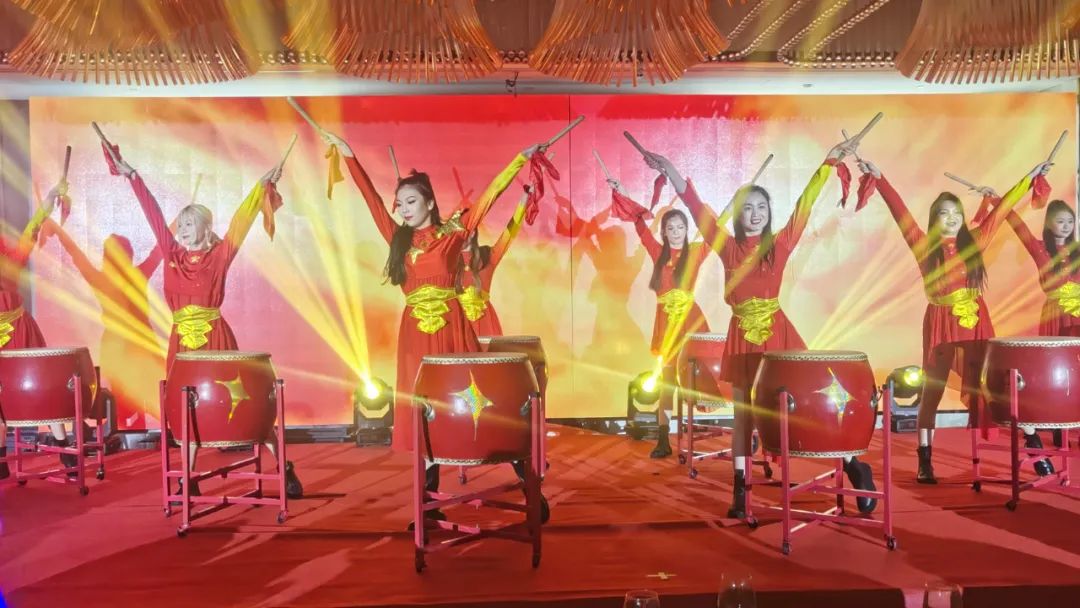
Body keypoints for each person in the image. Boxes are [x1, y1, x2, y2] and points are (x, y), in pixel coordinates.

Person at [320, 128, 549, 524]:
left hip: (453, 329)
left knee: (478, 406)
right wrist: (348, 155)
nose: (403, 209)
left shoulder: (453, 234)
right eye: (399, 204)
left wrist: (519, 158)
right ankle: (427, 506)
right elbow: (371, 200)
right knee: (425, 410)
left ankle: (529, 487)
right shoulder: (398, 239)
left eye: (410, 201)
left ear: (428, 201)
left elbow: (489, 198)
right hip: (415, 337)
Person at [641, 138, 879, 517]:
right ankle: (741, 490)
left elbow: (804, 205)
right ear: (739, 214)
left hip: (778, 337)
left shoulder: (779, 245)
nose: (755, 214)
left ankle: (854, 466)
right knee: (744, 415)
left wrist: (829, 161)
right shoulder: (727, 247)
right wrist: (669, 169)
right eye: (748, 208)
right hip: (742, 339)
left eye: (762, 208)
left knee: (808, 408)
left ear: (769, 213)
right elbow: (698, 210)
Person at [103, 142, 303, 499]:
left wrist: (260, 186)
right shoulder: (171, 253)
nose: (182, 228)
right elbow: (152, 212)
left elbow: (241, 222)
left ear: (206, 228)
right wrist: (132, 175)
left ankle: (282, 465)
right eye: (180, 223)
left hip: (215, 339)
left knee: (242, 405)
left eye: (190, 223)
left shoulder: (219, 255)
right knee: (186, 406)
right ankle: (188, 475)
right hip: (182, 342)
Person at [859, 157, 1053, 483]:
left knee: (997, 384)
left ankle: (1034, 445)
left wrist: (1028, 177)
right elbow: (900, 212)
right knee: (931, 391)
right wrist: (880, 179)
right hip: (940, 323)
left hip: (976, 321)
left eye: (956, 214)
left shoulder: (975, 241)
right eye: (944, 214)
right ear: (934, 220)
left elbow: (1001, 211)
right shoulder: (923, 245)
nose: (951, 219)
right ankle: (925, 460)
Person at [610, 178, 711, 458]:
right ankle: (664, 439)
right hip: (666, 326)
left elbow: (714, 231)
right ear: (664, 232)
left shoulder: (697, 252)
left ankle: (692, 436)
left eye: (680, 228)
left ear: (687, 230)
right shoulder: (658, 253)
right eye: (670, 228)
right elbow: (640, 226)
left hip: (690, 323)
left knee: (692, 381)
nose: (676, 233)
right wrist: (621, 192)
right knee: (667, 383)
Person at [39, 217, 164, 431]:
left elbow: (76, 253)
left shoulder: (108, 278)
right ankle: (131, 432)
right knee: (131, 395)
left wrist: (58, 231)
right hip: (129, 345)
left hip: (128, 345)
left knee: (130, 395)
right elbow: (160, 248)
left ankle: (128, 432)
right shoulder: (132, 276)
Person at [0, 180, 75, 480]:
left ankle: (64, 446)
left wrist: (48, 201)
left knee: (42, 388)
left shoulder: (11, 260)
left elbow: (31, 231)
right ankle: (1, 460)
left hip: (18, 330)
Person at [456, 189, 529, 337]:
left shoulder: (487, 256)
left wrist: (524, 201)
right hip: (457, 325)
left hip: (484, 324)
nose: (462, 233)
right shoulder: (448, 260)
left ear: (473, 232)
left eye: (466, 228)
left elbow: (508, 235)